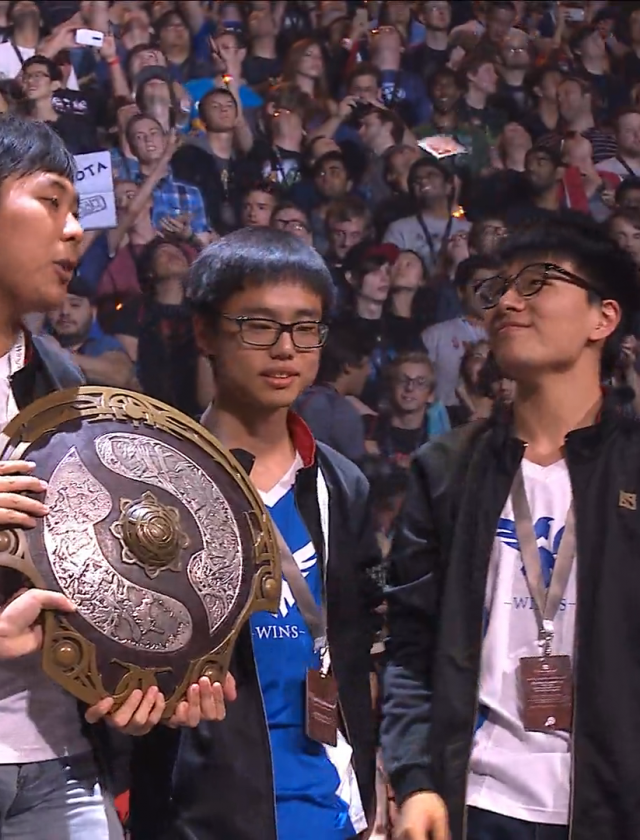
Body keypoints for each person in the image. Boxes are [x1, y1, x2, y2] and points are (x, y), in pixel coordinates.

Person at [0, 115, 231, 839]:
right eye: (50, 201)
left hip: (62, 758)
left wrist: (139, 682)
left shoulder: (63, 383)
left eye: (77, 209)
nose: (75, 231)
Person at [381, 212, 640, 840]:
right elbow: (411, 646)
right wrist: (416, 781)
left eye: (537, 282)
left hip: (613, 805)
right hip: (477, 804)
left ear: (602, 319)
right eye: (499, 289)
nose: (507, 302)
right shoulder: (447, 467)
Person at [130, 226, 382, 840]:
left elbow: (358, 648)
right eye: (259, 326)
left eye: (305, 328)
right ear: (204, 333)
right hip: (200, 817)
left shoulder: (340, 484)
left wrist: (379, 782)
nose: (286, 349)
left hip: (334, 813)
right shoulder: (151, 484)